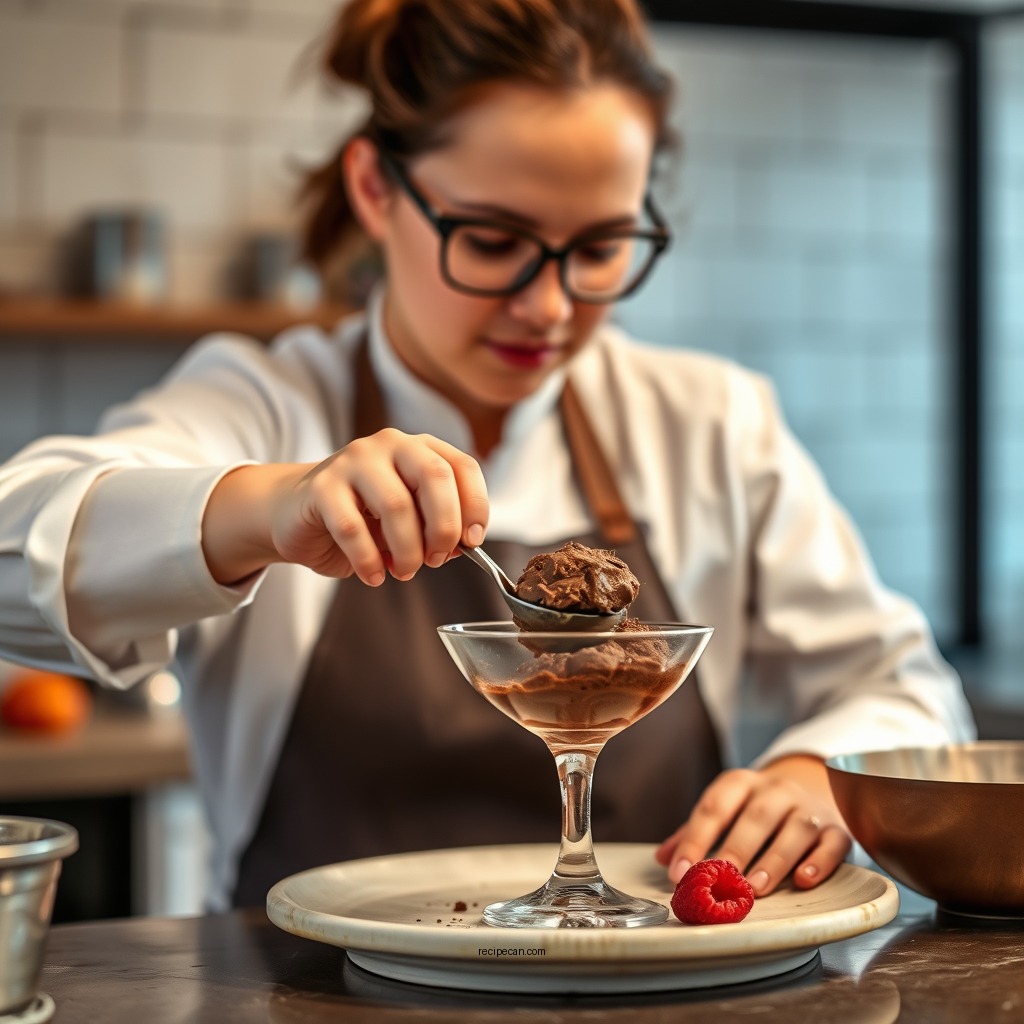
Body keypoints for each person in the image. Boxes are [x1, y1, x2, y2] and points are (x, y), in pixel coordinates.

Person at [0, 0, 973, 912]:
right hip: (311, 998)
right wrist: (267, 507)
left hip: (646, 996)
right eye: (494, 240)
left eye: (600, 248)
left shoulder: (706, 423)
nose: (548, 307)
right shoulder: (266, 403)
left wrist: (813, 778)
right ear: (375, 189)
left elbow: (905, 689)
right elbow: (18, 550)